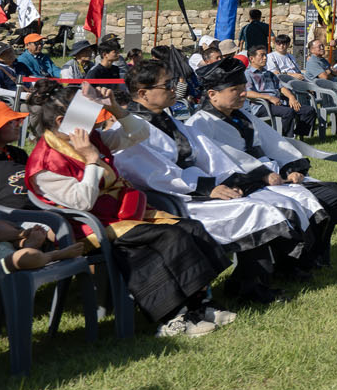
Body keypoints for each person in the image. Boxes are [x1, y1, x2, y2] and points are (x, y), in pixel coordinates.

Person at [21, 81, 235, 337]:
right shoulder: (45, 163)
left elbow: (139, 134)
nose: (95, 124)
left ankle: (199, 304)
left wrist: (116, 109)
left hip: (119, 212)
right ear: (61, 121)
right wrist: (91, 160)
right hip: (88, 226)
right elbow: (82, 203)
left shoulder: (89, 138)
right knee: (169, 236)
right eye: (89, 118)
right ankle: (172, 317)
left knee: (190, 227)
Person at [106, 64, 299, 301]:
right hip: (173, 198)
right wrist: (208, 187)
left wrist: (230, 179)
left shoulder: (169, 120)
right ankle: (248, 287)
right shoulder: (127, 130)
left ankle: (251, 282)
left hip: (196, 187)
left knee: (259, 204)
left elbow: (208, 154)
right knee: (254, 211)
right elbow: (156, 174)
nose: (174, 89)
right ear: (143, 93)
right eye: (167, 85)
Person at [182, 58, 337, 261]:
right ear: (212, 94)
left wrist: (291, 169)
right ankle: (294, 262)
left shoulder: (241, 116)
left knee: (335, 193)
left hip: (272, 176)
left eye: (243, 88)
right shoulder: (199, 125)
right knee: (302, 204)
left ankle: (312, 256)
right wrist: (262, 175)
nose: (243, 93)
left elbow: (274, 143)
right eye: (235, 89)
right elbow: (218, 162)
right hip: (245, 185)